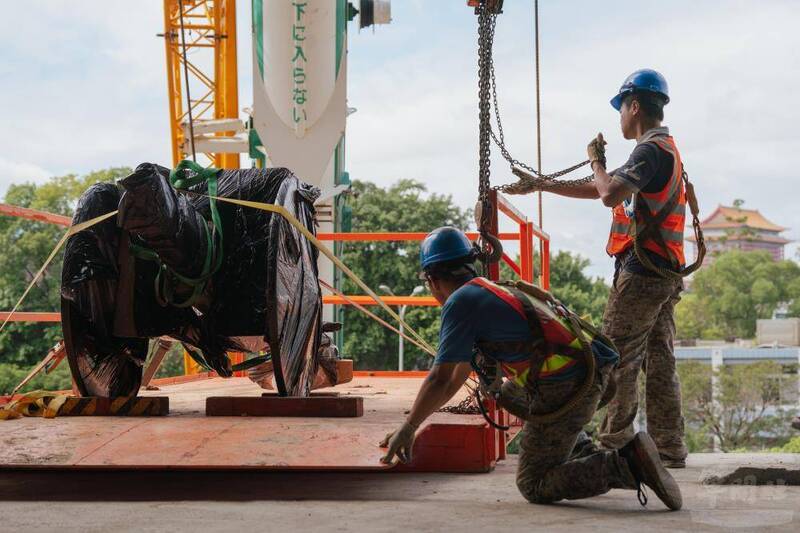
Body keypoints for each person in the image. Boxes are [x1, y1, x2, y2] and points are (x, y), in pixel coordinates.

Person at [380, 227, 682, 510]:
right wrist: (414, 423)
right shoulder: (487, 289)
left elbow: (441, 378)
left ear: (432, 279)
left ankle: (628, 465)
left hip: (571, 385)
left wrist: (409, 428)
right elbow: (455, 376)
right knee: (509, 393)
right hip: (590, 372)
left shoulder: (460, 303)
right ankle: (580, 448)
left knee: (533, 483)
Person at [512, 68, 689, 468]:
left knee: (613, 356)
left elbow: (608, 192)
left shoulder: (650, 150)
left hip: (643, 273)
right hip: (663, 271)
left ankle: (615, 444)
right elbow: (603, 189)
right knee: (659, 359)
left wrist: (595, 160)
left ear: (635, 106)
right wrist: (541, 183)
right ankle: (669, 445)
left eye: (621, 109)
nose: (619, 118)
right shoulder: (661, 150)